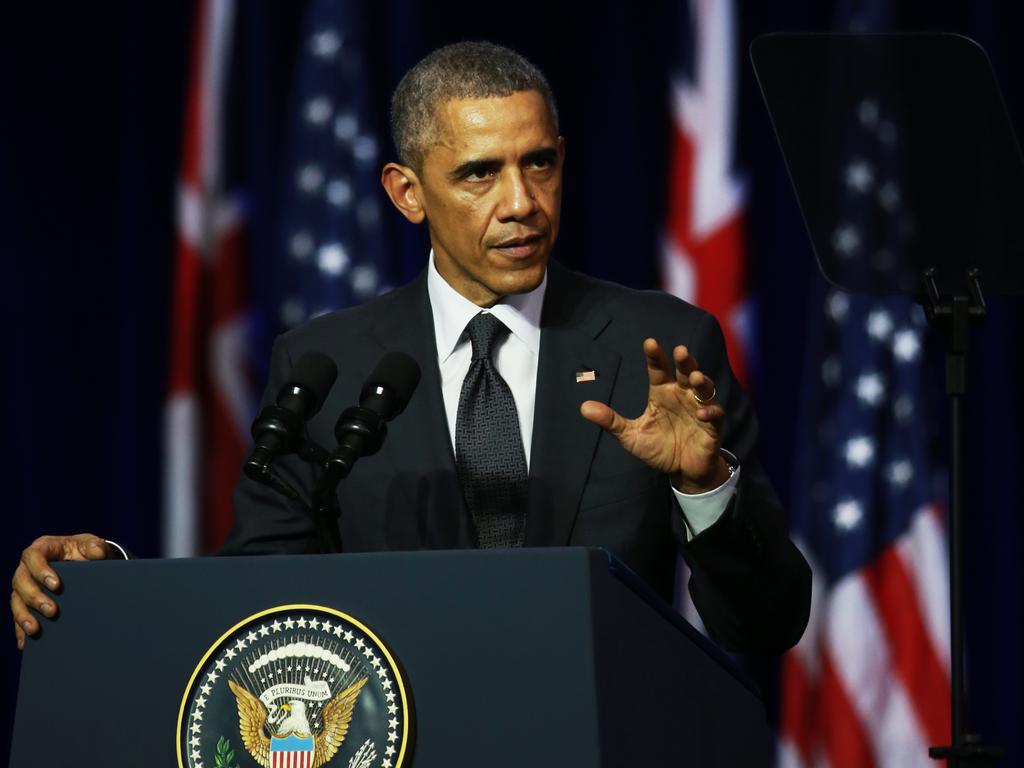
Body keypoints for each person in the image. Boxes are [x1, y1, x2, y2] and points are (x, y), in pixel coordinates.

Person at [12, 42, 810, 654]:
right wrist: (102, 586)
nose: (521, 203)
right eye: (477, 175)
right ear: (406, 192)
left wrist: (705, 485)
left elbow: (766, 624)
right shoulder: (326, 369)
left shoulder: (662, 349)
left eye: (538, 164)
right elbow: (257, 604)